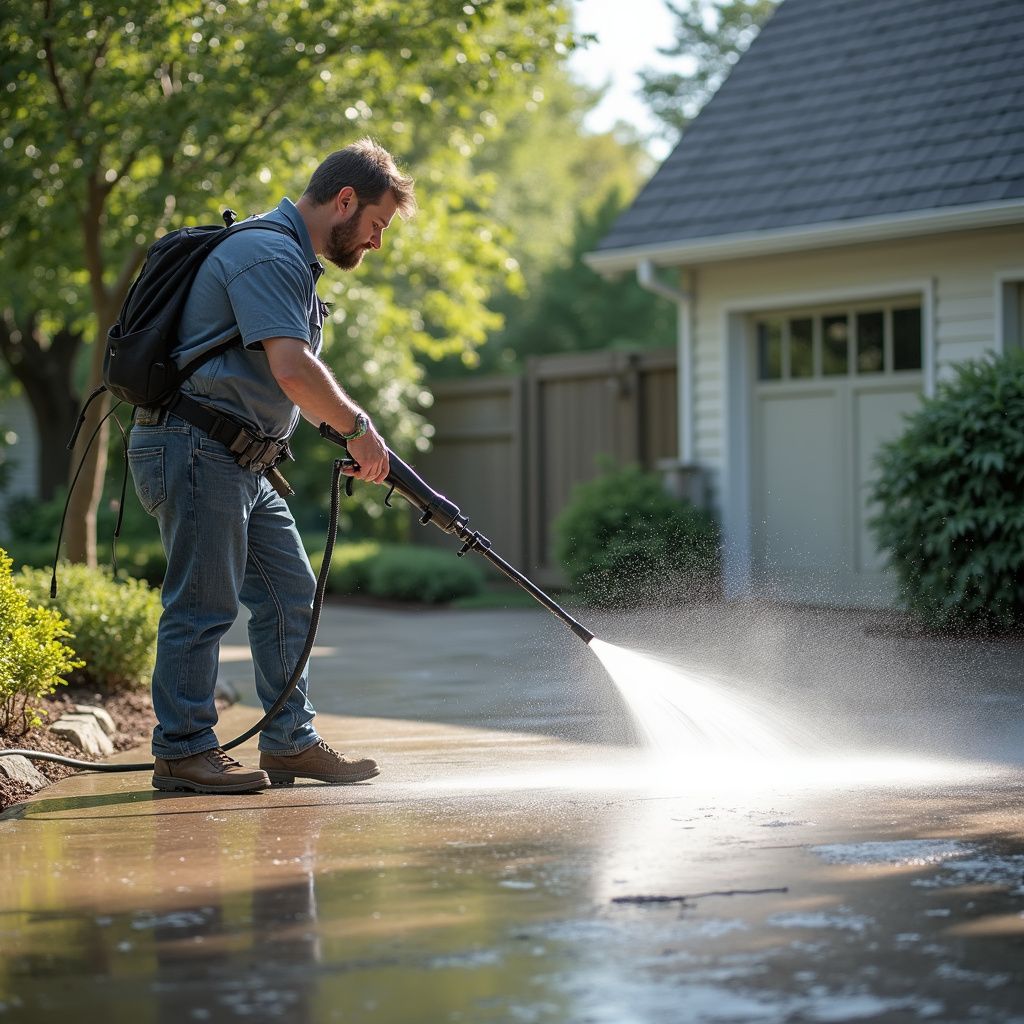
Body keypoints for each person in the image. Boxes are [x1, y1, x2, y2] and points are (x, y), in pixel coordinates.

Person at [127, 139, 416, 794]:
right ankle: (182, 750)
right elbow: (291, 368)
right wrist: (360, 430)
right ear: (345, 201)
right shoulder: (266, 252)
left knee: (290, 593)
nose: (375, 244)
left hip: (237, 457)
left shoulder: (288, 258)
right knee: (202, 603)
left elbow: (282, 377)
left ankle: (288, 742)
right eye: (375, 226)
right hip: (196, 445)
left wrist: (345, 431)